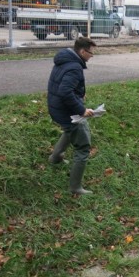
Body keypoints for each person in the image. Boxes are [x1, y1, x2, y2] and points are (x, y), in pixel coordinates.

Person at [47, 37, 97, 195]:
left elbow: (64, 87)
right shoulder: (75, 67)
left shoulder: (64, 60)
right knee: (83, 146)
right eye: (91, 53)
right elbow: (65, 91)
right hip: (66, 111)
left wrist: (78, 95)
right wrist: (81, 109)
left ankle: (55, 158)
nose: (91, 56)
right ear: (82, 51)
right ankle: (75, 187)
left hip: (56, 108)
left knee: (71, 130)